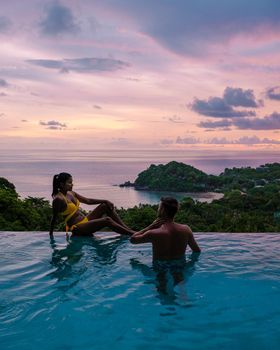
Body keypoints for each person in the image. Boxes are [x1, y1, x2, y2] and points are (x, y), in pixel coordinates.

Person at [49, 172, 135, 237]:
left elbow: (88, 200)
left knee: (105, 206)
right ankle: (132, 234)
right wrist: (51, 234)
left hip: (86, 221)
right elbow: (54, 218)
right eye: (69, 182)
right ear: (61, 184)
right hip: (77, 228)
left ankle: (127, 229)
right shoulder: (58, 199)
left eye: (72, 182)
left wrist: (105, 200)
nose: (72, 184)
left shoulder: (71, 193)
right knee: (107, 220)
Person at [130, 197, 201, 260]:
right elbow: (197, 251)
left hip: (159, 268)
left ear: (162, 210)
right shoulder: (186, 229)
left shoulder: (153, 233)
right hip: (179, 267)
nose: (158, 209)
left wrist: (149, 227)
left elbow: (132, 239)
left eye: (159, 207)